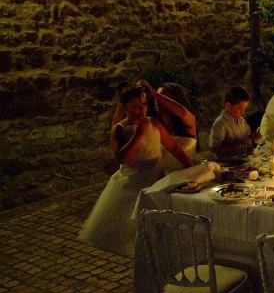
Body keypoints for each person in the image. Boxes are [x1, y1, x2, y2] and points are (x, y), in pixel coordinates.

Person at [79, 86, 194, 257]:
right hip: (131, 183)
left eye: (144, 105)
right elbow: (123, 158)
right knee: (131, 227)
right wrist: (139, 133)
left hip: (155, 179)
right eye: (136, 106)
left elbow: (173, 147)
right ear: (124, 108)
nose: (141, 110)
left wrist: (190, 165)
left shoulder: (154, 124)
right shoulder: (119, 129)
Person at [113, 80, 197, 174]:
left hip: (178, 173)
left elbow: (173, 147)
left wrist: (153, 93)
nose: (157, 99)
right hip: (154, 176)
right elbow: (122, 157)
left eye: (162, 97)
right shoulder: (152, 123)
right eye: (156, 97)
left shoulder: (184, 121)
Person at [209, 86, 260, 160]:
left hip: (246, 159)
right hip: (230, 163)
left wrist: (252, 136)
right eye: (239, 109)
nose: (243, 112)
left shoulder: (241, 121)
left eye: (244, 109)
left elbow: (246, 137)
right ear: (228, 105)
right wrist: (235, 148)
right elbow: (213, 148)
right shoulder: (220, 124)